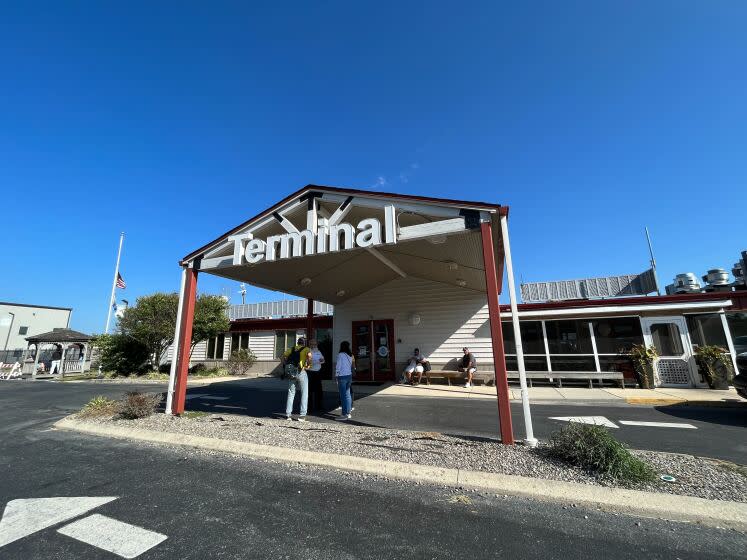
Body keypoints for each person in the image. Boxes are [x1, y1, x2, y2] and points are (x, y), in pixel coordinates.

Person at [281, 337, 310, 422]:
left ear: (298, 342)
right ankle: (302, 416)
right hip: (301, 372)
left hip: (291, 373)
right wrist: (308, 365)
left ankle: (288, 415)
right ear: (304, 343)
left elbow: (282, 357)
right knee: (304, 393)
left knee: (291, 393)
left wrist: (285, 365)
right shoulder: (306, 349)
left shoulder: (292, 349)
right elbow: (309, 356)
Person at [335, 340, 354, 420]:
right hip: (349, 376)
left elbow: (338, 366)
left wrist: (336, 376)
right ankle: (348, 413)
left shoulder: (340, 355)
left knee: (342, 396)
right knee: (347, 395)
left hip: (342, 376)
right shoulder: (350, 355)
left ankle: (344, 414)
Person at [306, 338, 325, 413]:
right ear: (309, 344)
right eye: (312, 344)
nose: (313, 345)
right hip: (310, 372)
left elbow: (323, 360)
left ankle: (319, 406)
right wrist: (314, 362)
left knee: (319, 390)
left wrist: (318, 361)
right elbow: (307, 362)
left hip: (318, 372)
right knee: (309, 390)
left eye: (315, 344)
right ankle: (309, 407)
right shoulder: (307, 351)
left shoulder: (318, 351)